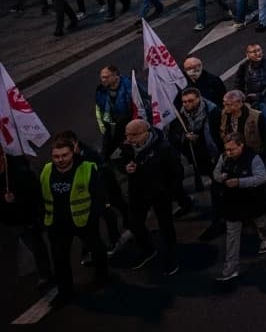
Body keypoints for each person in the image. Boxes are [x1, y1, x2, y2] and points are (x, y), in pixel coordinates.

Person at [41, 134, 108, 304]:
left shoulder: (87, 168)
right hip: (57, 224)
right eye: (56, 156)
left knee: (97, 250)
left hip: (83, 221)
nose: (60, 160)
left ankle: (102, 278)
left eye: (65, 155)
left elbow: (98, 197)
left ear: (73, 153)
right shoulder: (47, 170)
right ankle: (65, 292)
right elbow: (41, 196)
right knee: (59, 259)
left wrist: (92, 218)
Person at [119, 119, 183, 275]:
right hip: (138, 193)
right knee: (135, 223)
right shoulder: (128, 146)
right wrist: (125, 168)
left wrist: (168, 193)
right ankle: (147, 251)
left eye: (133, 135)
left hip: (159, 194)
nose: (129, 139)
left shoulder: (164, 148)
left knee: (165, 226)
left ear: (145, 133)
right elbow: (117, 160)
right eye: (127, 135)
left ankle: (171, 257)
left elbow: (177, 172)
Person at [211, 134, 266, 282]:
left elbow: (261, 177)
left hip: (252, 199)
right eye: (226, 149)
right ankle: (231, 268)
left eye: (232, 149)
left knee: (260, 221)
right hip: (232, 201)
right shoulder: (224, 157)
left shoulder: (253, 158)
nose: (229, 153)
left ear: (241, 146)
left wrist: (240, 182)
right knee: (232, 235)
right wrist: (221, 177)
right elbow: (216, 174)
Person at [1, 152, 53, 292]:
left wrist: (15, 199)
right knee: (23, 247)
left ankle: (46, 274)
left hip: (27, 218)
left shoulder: (20, 171)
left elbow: (35, 193)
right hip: (10, 221)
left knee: (36, 246)